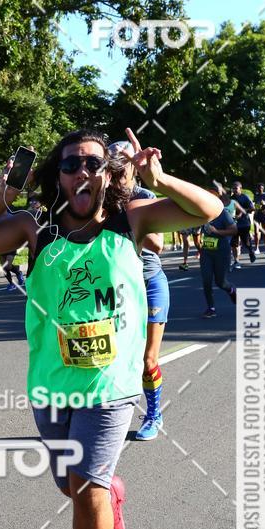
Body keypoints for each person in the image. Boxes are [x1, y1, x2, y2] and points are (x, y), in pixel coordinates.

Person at [0, 126, 222, 529]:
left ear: (107, 173)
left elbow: (208, 211)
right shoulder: (38, 229)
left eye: (92, 163)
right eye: (70, 163)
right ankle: (110, 493)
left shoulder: (132, 220)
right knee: (68, 483)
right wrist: (1, 199)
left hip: (111, 384)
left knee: (85, 488)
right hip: (52, 383)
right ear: (58, 175)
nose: (81, 172)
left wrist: (158, 178)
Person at [109, 140, 168, 441]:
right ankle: (109, 415)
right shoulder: (102, 201)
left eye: (124, 160)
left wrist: (132, 216)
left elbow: (158, 244)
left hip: (150, 283)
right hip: (119, 290)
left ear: (133, 164)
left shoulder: (143, 195)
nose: (119, 167)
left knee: (148, 360)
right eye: (113, 161)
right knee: (114, 357)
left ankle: (153, 414)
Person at [198, 193, 238, 317]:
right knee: (206, 280)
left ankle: (231, 290)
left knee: (221, 282)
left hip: (222, 251)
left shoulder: (223, 214)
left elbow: (234, 230)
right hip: (206, 252)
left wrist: (217, 231)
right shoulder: (203, 214)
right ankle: (211, 308)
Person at [230, 181, 256, 267]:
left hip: (244, 223)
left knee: (246, 242)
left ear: (240, 189)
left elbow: (252, 208)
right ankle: (236, 261)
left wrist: (242, 212)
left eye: (236, 188)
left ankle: (251, 252)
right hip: (233, 224)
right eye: (233, 188)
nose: (234, 190)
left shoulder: (245, 197)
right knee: (234, 243)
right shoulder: (231, 198)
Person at [253, 183, 265, 253]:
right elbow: (256, 205)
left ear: (263, 188)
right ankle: (257, 248)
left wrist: (264, 203)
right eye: (259, 188)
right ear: (257, 188)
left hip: (264, 215)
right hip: (257, 215)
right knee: (256, 232)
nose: (260, 189)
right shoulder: (256, 195)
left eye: (262, 188)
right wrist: (256, 207)